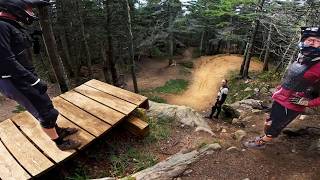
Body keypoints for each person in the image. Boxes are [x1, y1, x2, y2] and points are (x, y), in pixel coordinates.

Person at [0, 0, 81, 150]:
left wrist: (31, 38)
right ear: (16, 9)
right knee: (44, 111)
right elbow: (5, 61)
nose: (32, 13)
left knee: (44, 105)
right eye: (29, 9)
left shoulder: (8, 24)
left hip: (20, 76)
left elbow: (15, 49)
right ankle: (60, 143)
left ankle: (58, 131)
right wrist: (34, 81)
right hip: (14, 79)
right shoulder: (1, 26)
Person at [244, 27, 320, 149]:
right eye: (310, 39)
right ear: (304, 40)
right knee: (270, 120)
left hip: (292, 104)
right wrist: (280, 88)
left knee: (274, 125)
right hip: (281, 97)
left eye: (318, 41)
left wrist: (309, 103)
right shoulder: (302, 58)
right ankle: (266, 135)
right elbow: (291, 78)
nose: (312, 42)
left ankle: (262, 142)